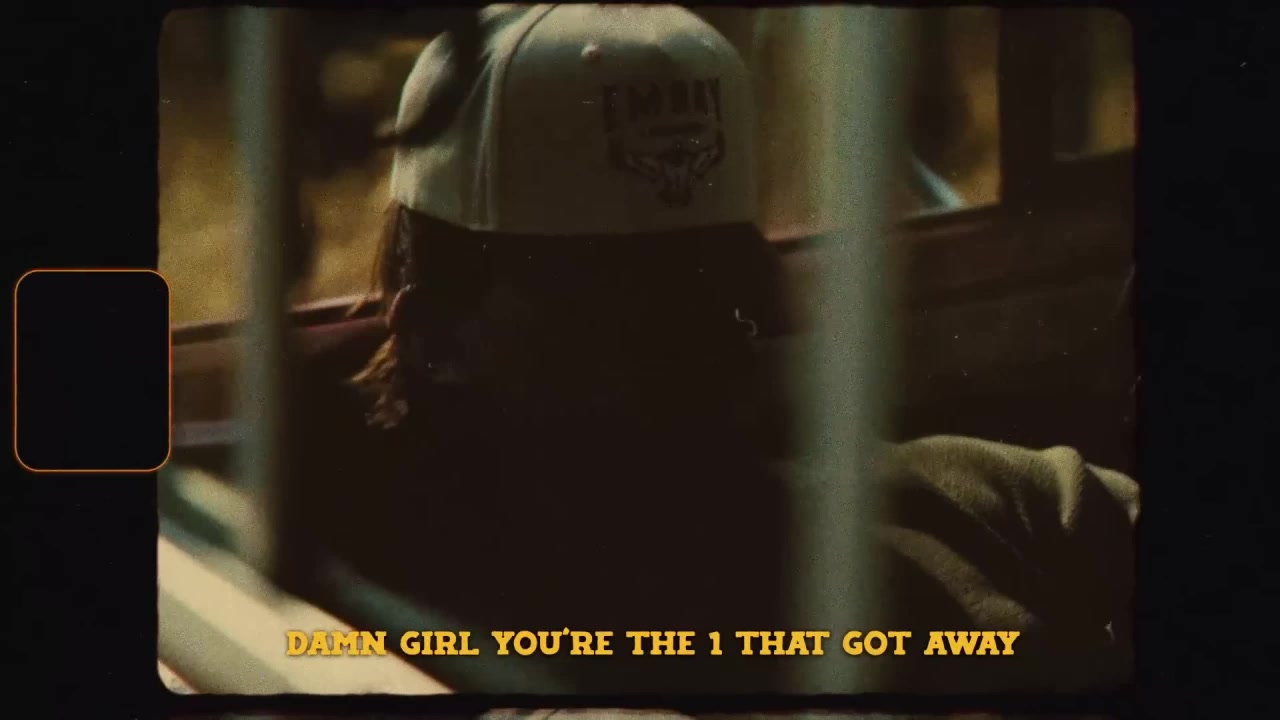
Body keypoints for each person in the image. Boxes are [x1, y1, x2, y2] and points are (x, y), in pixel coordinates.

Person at [280, 4, 1138, 698]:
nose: (712, 334)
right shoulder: (424, 649)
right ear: (439, 341)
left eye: (724, 281)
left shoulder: (994, 498)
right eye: (620, 304)